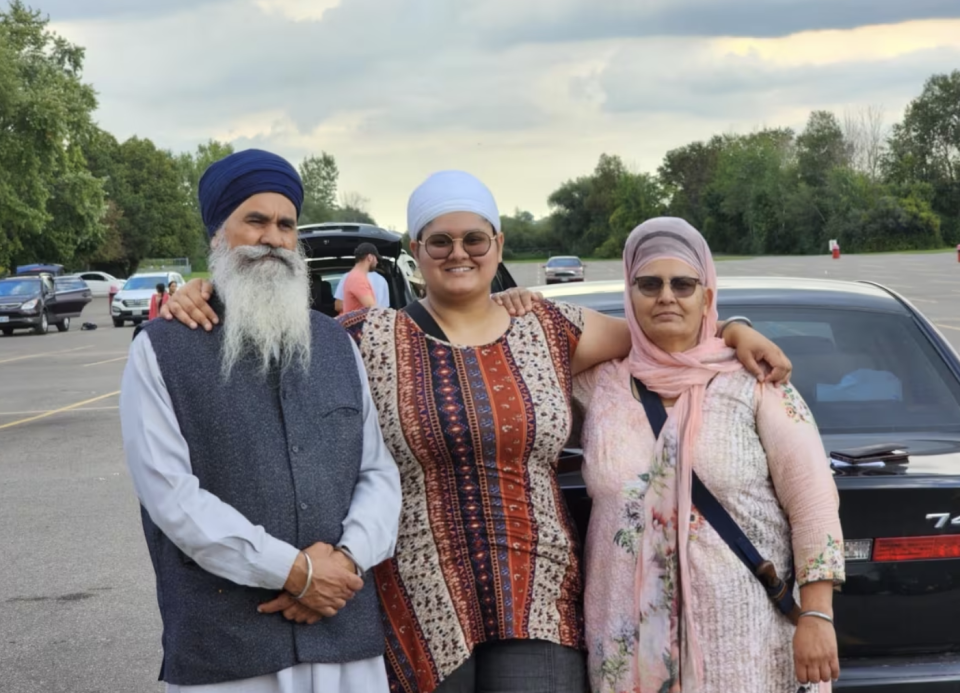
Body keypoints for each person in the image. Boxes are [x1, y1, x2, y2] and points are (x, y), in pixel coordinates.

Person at [163, 170, 792, 693]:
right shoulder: (366, 339)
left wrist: (734, 328)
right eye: (439, 242)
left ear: (497, 242)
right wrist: (198, 295)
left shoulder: (551, 329)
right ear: (416, 249)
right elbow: (263, 344)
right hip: (415, 593)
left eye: (473, 238)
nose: (458, 253)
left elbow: (666, 329)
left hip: (539, 588)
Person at [120, 148, 402, 693]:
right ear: (217, 235)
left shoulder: (336, 344)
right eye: (255, 220)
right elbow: (172, 498)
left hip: (344, 640)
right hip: (226, 655)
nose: (272, 237)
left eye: (285, 224)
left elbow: (377, 474)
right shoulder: (161, 351)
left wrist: (345, 561)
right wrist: (295, 572)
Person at [575, 217, 843, 693]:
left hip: (746, 639)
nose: (666, 297)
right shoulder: (599, 386)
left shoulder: (756, 383)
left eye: (683, 284)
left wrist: (818, 614)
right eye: (648, 284)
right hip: (627, 641)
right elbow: (515, 354)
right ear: (629, 292)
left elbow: (813, 503)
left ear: (707, 293)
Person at [334, 245, 390, 313]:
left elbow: (338, 306)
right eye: (376, 258)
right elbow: (372, 308)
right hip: (363, 322)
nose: (377, 262)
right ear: (370, 257)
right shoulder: (358, 278)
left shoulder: (349, 276)